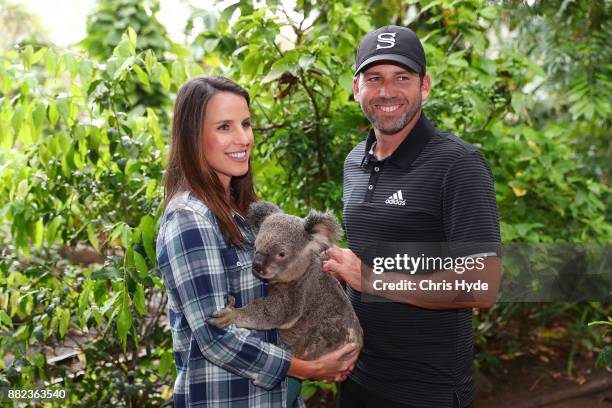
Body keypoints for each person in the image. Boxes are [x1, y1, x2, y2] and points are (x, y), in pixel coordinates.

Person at [322, 26, 502, 408]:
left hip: (426, 391)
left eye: (402, 77)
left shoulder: (458, 164)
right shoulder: (355, 160)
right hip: (357, 379)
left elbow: (482, 285)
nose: (387, 92)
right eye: (375, 79)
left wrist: (369, 279)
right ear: (357, 89)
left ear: (425, 86)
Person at [155, 76, 358, 408]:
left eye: (246, 124)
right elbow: (215, 336)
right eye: (224, 127)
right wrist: (308, 369)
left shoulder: (241, 213)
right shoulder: (189, 219)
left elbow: (273, 305)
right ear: (194, 137)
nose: (242, 138)